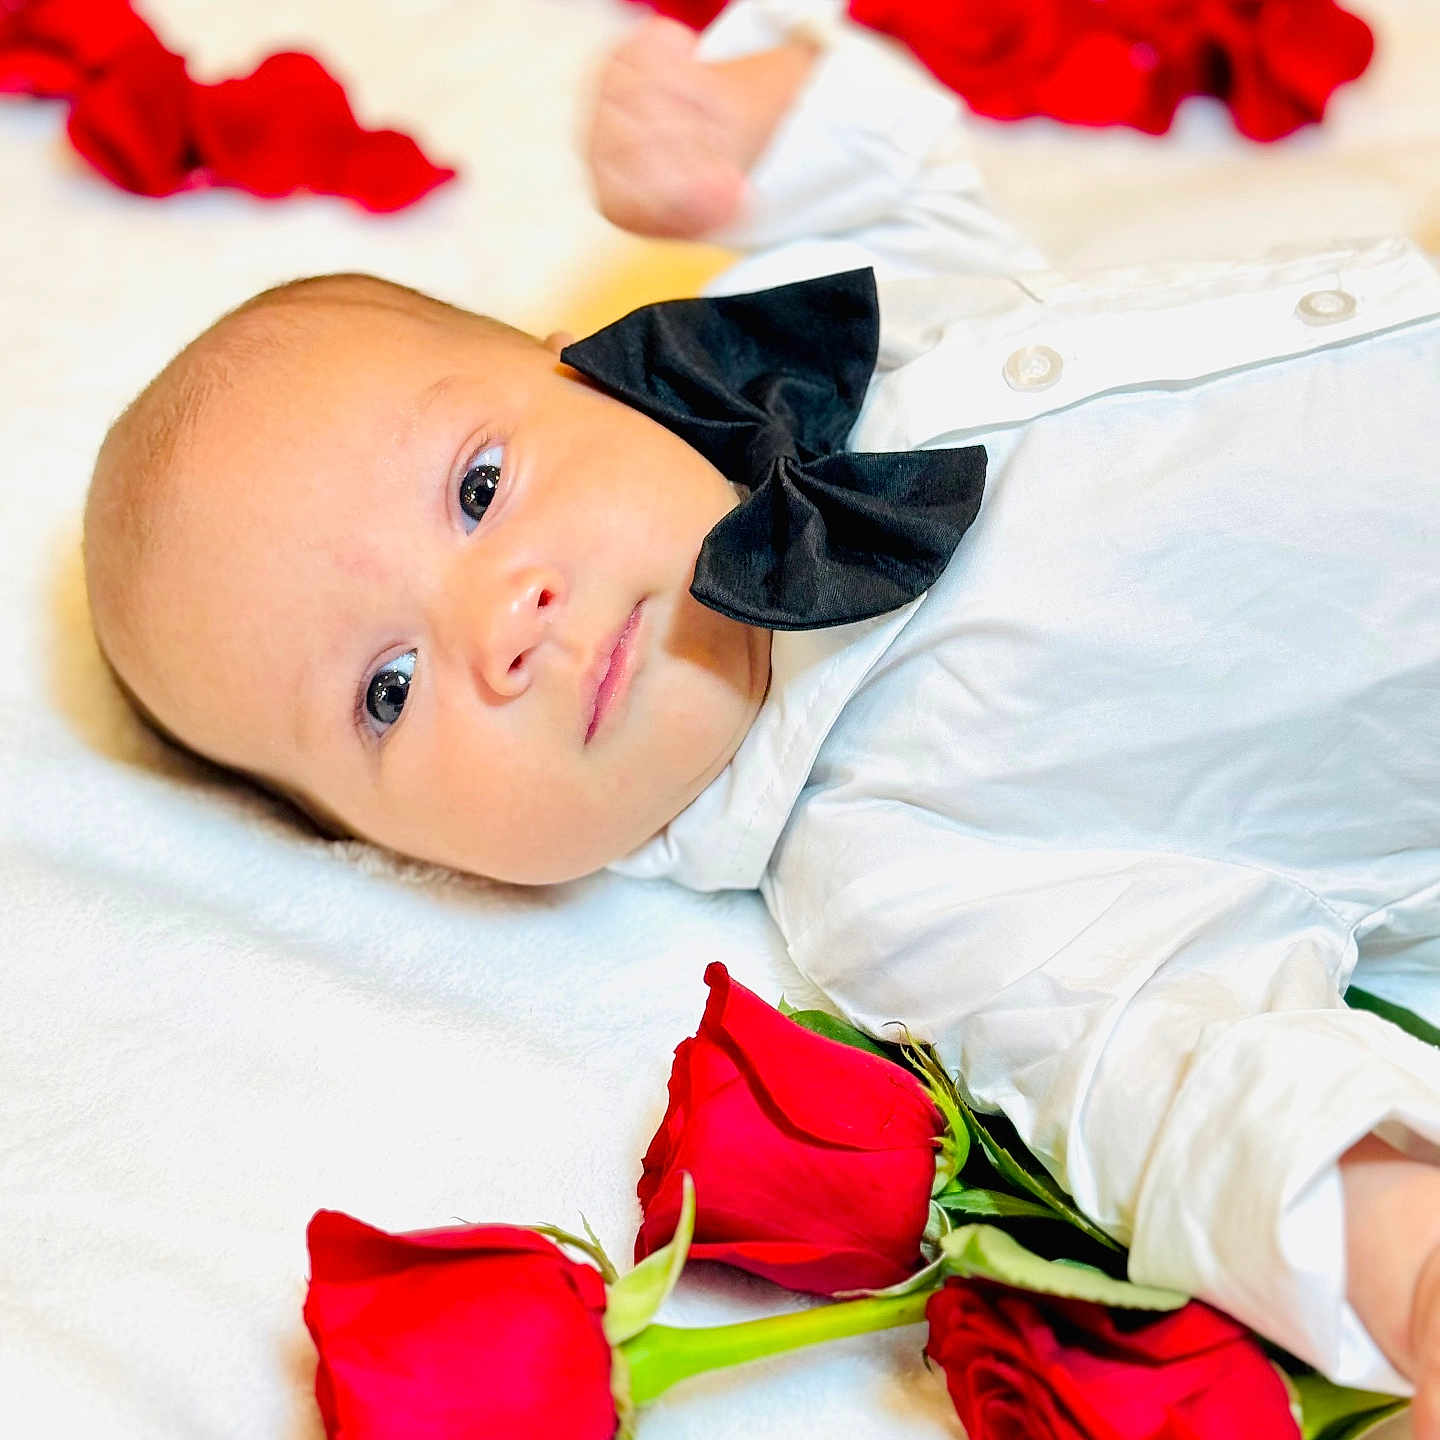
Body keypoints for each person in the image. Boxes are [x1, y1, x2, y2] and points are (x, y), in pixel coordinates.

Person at [82, 0, 1440, 1422]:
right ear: (408, 854)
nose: (504, 621)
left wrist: (762, 110)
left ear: (583, 363)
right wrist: (1396, 1259)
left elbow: (911, 187)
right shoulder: (888, 877)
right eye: (389, 690)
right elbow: (1161, 1078)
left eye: (482, 489)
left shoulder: (847, 347)